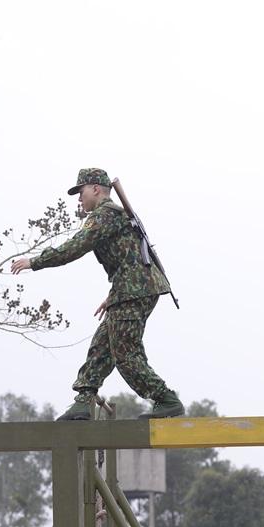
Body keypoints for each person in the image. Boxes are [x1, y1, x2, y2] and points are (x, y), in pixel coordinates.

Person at [11, 167, 184, 421]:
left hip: (133, 291)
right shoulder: (115, 215)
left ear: (95, 189)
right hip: (130, 289)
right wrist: (114, 296)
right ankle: (83, 401)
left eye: (80, 192)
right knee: (101, 348)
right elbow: (130, 257)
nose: (79, 199)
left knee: (125, 354)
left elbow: (75, 247)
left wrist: (35, 262)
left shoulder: (104, 215)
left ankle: (165, 399)